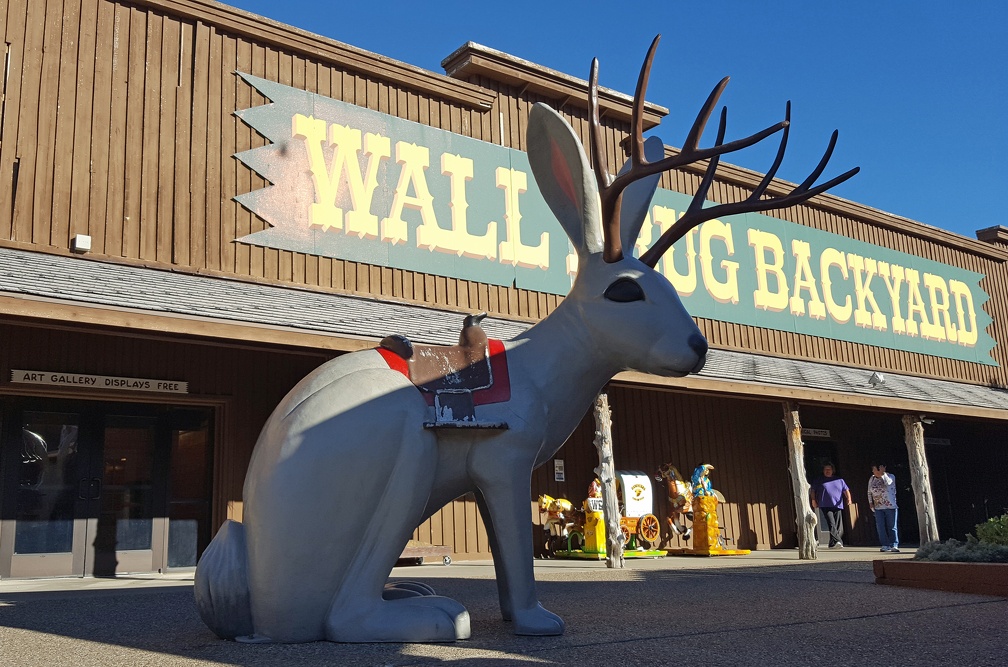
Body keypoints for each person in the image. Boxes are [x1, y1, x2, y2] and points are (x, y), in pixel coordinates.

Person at [809, 462, 852, 548]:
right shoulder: (819, 480)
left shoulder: (839, 480)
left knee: (837, 525)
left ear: (833, 470)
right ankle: (839, 541)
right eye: (826, 469)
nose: (827, 471)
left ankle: (832, 543)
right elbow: (813, 490)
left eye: (829, 469)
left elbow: (846, 490)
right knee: (831, 523)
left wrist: (849, 499)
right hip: (825, 505)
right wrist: (813, 500)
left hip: (837, 504)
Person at [867, 462, 900, 553]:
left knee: (892, 526)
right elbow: (869, 491)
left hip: (890, 506)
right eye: (873, 469)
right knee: (880, 526)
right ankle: (885, 545)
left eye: (876, 469)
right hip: (878, 506)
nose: (874, 472)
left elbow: (888, 483)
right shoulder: (872, 478)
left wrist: (883, 474)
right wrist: (870, 502)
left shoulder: (890, 476)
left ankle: (894, 544)